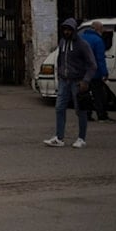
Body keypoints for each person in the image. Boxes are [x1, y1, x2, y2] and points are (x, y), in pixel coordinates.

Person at [44, 18, 96, 148]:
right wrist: (59, 74)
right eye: (65, 29)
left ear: (74, 31)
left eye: (69, 30)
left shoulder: (82, 44)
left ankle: (81, 138)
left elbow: (92, 65)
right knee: (59, 108)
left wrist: (86, 80)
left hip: (77, 81)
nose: (66, 32)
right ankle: (59, 137)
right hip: (64, 80)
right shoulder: (62, 43)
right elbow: (60, 60)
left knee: (80, 110)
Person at [80, 20, 115, 123]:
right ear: (97, 29)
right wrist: (104, 73)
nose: (103, 30)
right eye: (102, 28)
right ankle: (102, 115)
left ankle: (86, 115)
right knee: (99, 95)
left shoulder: (81, 38)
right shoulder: (98, 40)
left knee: (85, 94)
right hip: (94, 73)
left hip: (82, 73)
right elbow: (100, 59)